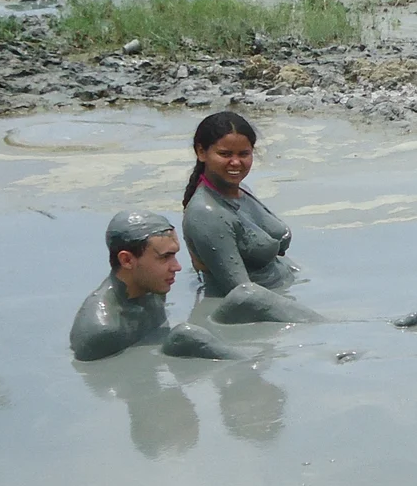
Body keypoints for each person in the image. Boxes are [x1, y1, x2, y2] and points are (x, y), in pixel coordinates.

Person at [69, 210, 235, 362]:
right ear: (127, 260)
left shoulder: (153, 290)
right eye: (165, 257)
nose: (177, 267)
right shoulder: (102, 331)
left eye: (174, 255)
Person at [181, 111, 301, 300]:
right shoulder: (207, 214)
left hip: (284, 290)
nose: (236, 162)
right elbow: (243, 295)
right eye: (225, 154)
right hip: (257, 305)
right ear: (201, 152)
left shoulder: (242, 190)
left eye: (244, 154)